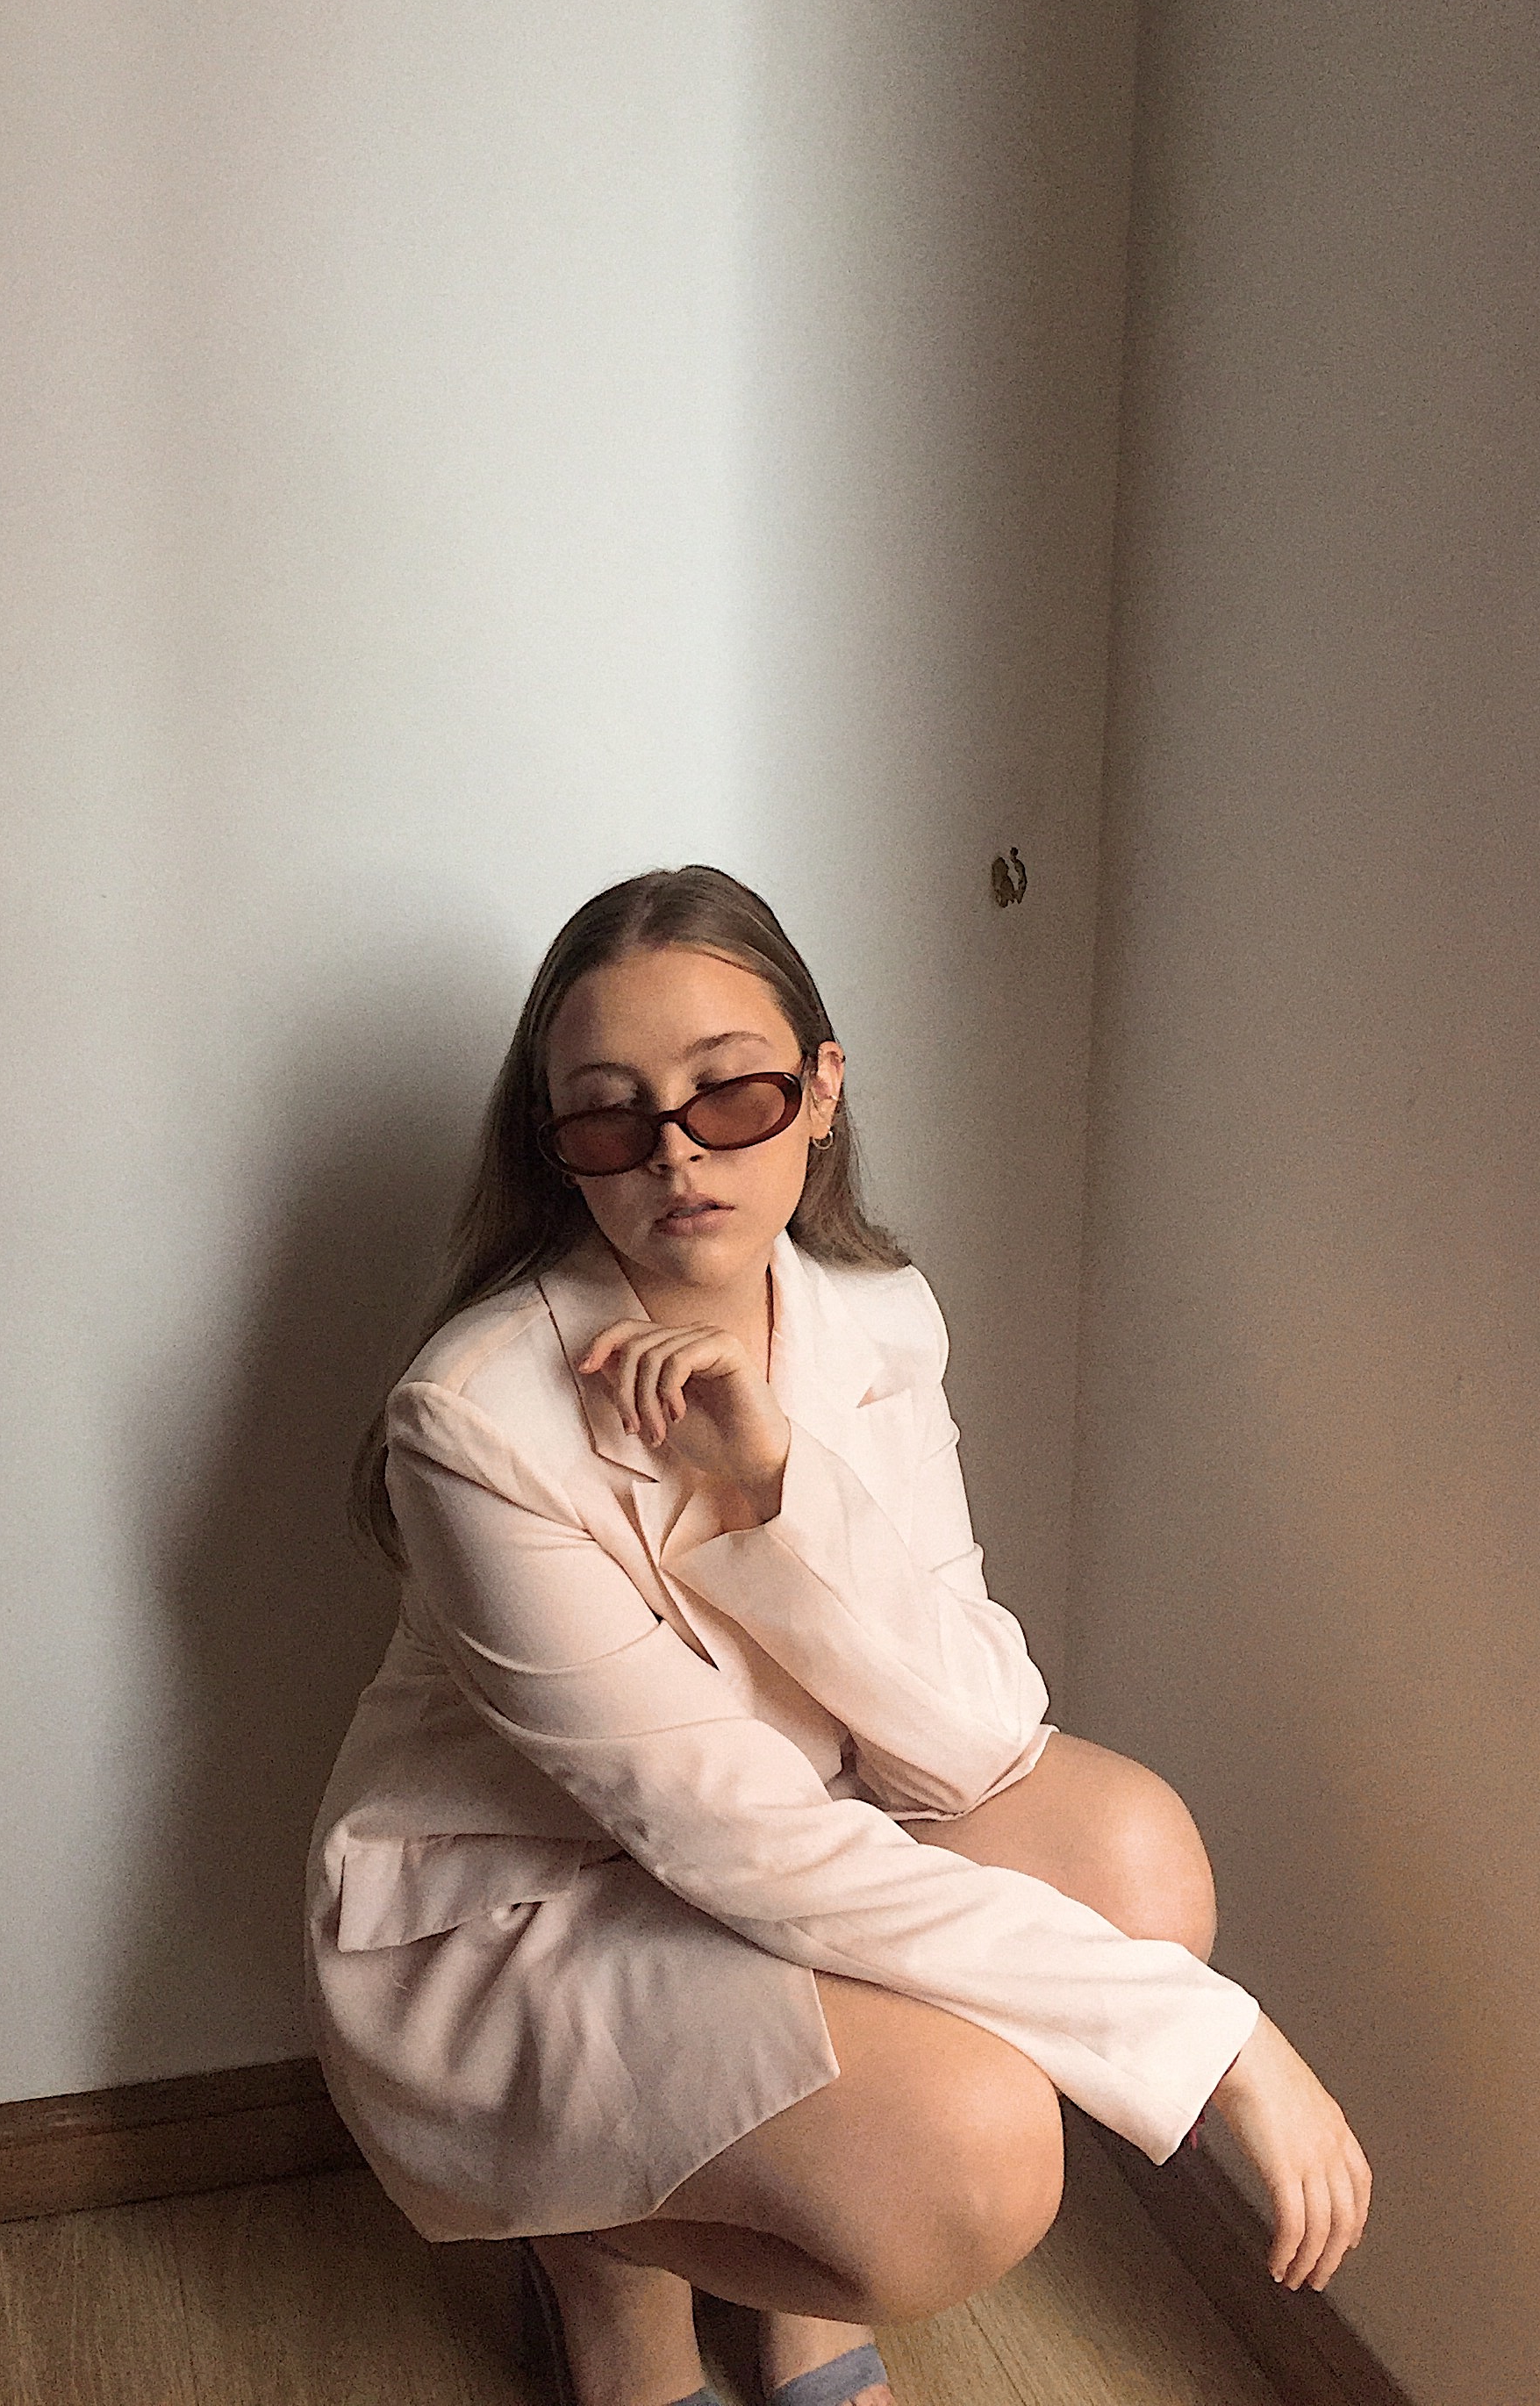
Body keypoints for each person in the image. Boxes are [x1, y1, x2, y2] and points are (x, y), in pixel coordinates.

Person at [305, 865, 1371, 2406]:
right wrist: (1220, 2042)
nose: (676, 1154)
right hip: (530, 1912)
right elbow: (727, 1837)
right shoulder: (474, 1419)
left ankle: (783, 2263)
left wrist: (775, 1491)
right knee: (976, 2163)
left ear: (819, 1093)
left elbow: (979, 1737)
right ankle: (598, 2258)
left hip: (788, 1838)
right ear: (558, 1152)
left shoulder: (878, 1319)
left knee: (1132, 1858)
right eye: (610, 1118)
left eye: (729, 1093)